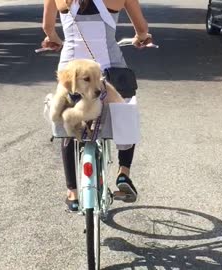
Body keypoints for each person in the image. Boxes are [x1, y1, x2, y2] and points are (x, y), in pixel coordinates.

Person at [42, 0, 152, 212]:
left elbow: (48, 28)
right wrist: (141, 37)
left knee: (68, 117)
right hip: (110, 71)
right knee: (125, 109)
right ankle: (123, 173)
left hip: (72, 71)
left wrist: (54, 39)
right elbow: (142, 28)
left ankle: (73, 192)